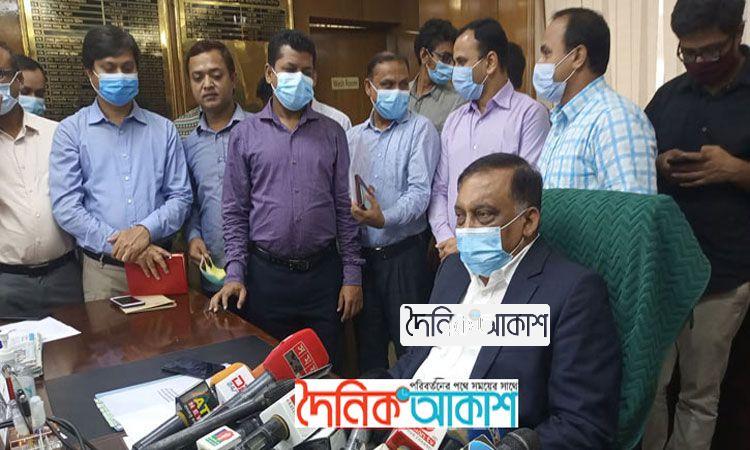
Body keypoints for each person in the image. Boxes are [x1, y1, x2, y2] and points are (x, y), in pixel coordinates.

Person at [392, 153, 621, 448]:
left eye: (483, 215)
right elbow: (417, 359)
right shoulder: (453, 270)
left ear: (528, 221)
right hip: (399, 428)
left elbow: (582, 425)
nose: (466, 230)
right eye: (460, 216)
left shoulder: (573, 292)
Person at [209, 30, 363, 368]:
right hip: (266, 278)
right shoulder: (245, 134)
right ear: (270, 73)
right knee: (270, 376)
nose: (299, 78)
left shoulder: (332, 132)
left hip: (323, 277)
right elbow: (234, 212)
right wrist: (235, 274)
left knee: (325, 371)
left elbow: (345, 208)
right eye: (290, 69)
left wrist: (352, 274)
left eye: (307, 72)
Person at [641, 1, 750, 449]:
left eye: (712, 51)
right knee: (649, 386)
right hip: (665, 268)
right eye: (688, 52)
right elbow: (639, 156)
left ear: (738, 32)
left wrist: (736, 170)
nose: (700, 61)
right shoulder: (669, 95)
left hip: (725, 272)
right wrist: (659, 163)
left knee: (700, 393)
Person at [50, 25, 192, 301]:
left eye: (127, 68)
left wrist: (146, 231)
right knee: (106, 332)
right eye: (109, 68)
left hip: (159, 264)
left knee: (172, 331)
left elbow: (181, 197)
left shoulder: (164, 130)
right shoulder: (71, 132)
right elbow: (67, 207)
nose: (120, 75)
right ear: (90, 73)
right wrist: (127, 246)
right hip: (104, 271)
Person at [428, 18, 550, 262]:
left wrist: (468, 243)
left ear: (491, 62)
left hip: (504, 257)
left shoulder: (529, 115)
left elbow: (526, 197)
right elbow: (440, 189)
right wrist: (446, 237)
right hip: (452, 255)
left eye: (461, 62)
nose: (454, 71)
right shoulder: (454, 120)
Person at [348, 52, 440, 372]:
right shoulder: (353, 137)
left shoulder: (421, 129)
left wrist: (384, 218)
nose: (397, 92)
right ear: (369, 88)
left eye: (403, 84)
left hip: (405, 259)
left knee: (413, 353)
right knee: (369, 351)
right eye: (387, 84)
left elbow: (420, 194)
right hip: (364, 262)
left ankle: (415, 406)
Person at [535, 8, 657, 194]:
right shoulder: (562, 121)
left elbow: (630, 209)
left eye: (546, 53)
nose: (540, 63)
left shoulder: (616, 119)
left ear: (577, 57)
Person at [0, 42, 82, 312]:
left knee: (79, 339)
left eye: (1, 75)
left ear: (17, 79)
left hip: (65, 274)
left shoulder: (58, 134)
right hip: (8, 282)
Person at [183, 40, 248, 295]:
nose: (207, 84)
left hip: (263, 273)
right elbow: (191, 204)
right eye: (198, 77)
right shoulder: (188, 144)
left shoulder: (260, 131)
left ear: (233, 79)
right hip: (214, 272)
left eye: (216, 75)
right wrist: (193, 237)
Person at [409, 19, 466, 133]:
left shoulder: (458, 100)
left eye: (454, 60)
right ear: (424, 55)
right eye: (445, 58)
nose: (451, 65)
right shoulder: (401, 93)